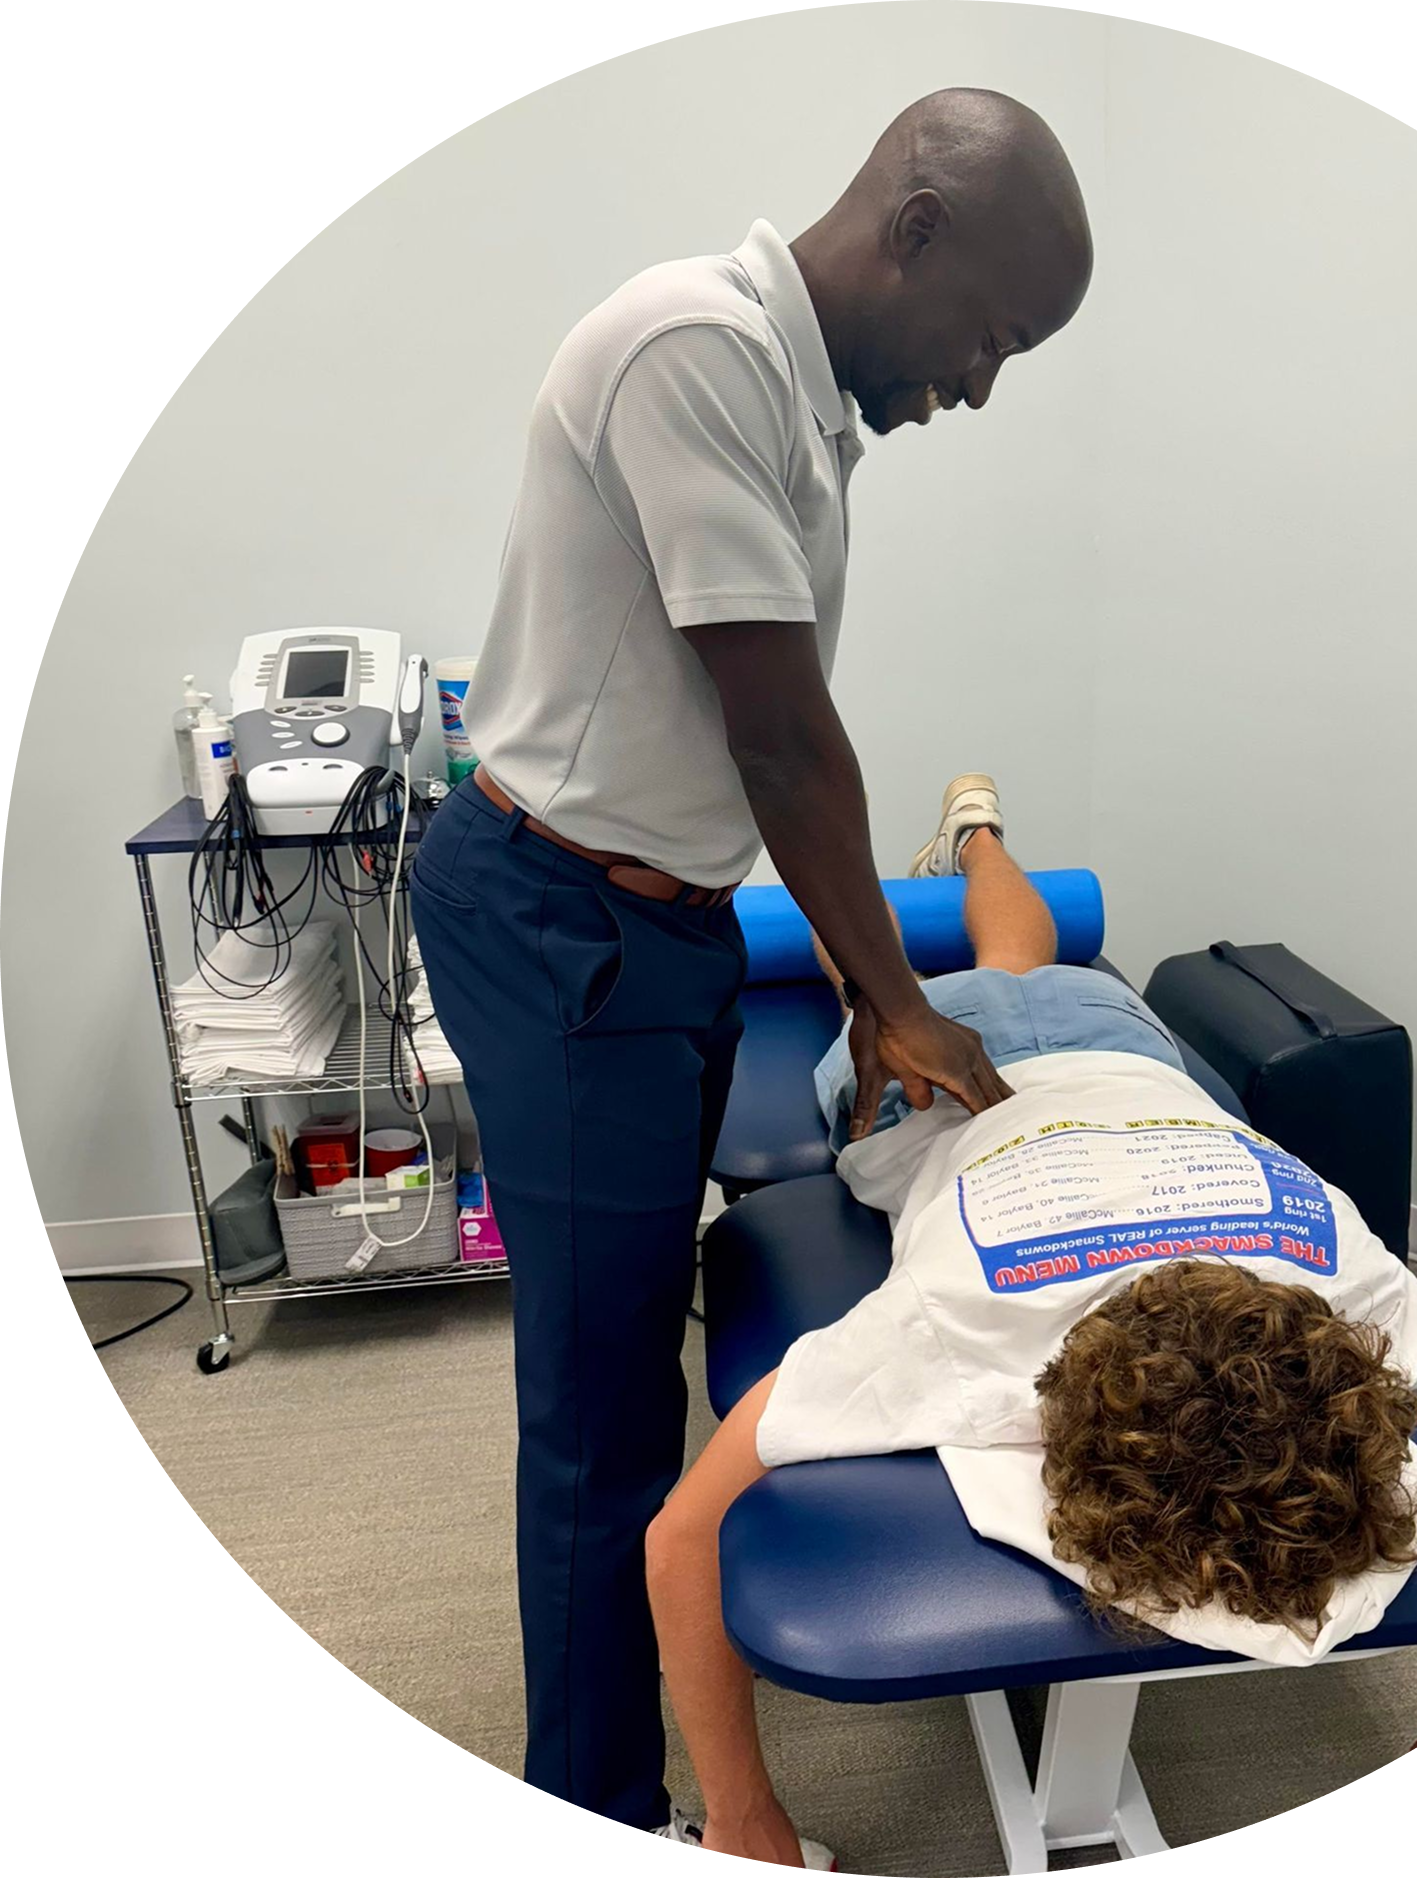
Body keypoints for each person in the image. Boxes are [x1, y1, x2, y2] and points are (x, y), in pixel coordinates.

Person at [410, 92, 1093, 1828]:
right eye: (992, 337)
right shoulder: (690, 350)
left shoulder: (802, 400)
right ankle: (605, 1790)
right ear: (915, 228)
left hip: (666, 921)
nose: (982, 383)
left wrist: (873, 991)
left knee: (638, 1336)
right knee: (597, 1395)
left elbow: (764, 757)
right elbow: (783, 739)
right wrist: (899, 995)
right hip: (566, 918)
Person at [645, 776, 1417, 1864]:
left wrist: (744, 1816)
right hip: (997, 1083)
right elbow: (683, 1543)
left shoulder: (1354, 1293)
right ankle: (969, 838)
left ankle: (971, 834)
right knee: (886, 995)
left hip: (1129, 1068)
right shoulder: (970, 1327)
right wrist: (745, 1818)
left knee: (989, 975)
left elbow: (677, 1531)